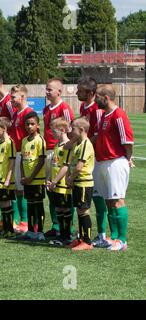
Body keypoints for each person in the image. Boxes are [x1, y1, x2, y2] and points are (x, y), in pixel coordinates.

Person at [94, 84, 134, 252]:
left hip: (115, 161)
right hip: (103, 162)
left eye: (97, 96)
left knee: (117, 200)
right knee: (109, 201)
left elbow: (128, 141)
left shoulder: (119, 114)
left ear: (106, 98)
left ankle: (122, 240)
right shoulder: (104, 115)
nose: (95, 98)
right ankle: (114, 236)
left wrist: (128, 158)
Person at [77, 77, 108, 248]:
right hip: (87, 157)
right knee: (88, 197)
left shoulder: (97, 109)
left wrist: (85, 146)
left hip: (95, 157)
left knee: (97, 196)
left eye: (80, 91)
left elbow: (97, 134)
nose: (76, 93)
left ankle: (102, 234)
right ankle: (85, 231)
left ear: (90, 93)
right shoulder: (84, 106)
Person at [43, 78, 74, 238]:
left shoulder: (65, 108)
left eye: (50, 89)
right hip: (49, 151)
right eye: (46, 89)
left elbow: (70, 130)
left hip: (62, 152)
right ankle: (56, 225)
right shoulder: (46, 108)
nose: (47, 92)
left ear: (59, 92)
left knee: (64, 191)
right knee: (50, 190)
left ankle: (68, 227)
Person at [66, 117, 95, 251]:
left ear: (81, 130)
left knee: (84, 211)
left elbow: (79, 166)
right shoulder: (78, 143)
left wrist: (70, 178)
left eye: (73, 128)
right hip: (78, 182)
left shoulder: (85, 144)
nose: (71, 131)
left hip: (84, 182)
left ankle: (88, 241)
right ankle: (81, 238)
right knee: (79, 210)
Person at [8, 85, 33, 233]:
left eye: (13, 97)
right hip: (16, 153)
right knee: (18, 189)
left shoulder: (28, 113)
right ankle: (19, 220)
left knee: (23, 189)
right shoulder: (17, 113)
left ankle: (25, 221)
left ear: (22, 97)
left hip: (25, 155)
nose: (11, 100)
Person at [20, 112, 46, 241]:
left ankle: (39, 231)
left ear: (37, 125)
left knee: (38, 206)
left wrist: (31, 177)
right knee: (30, 205)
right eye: (27, 124)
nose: (29, 126)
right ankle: (30, 230)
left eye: (32, 124)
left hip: (37, 180)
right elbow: (22, 160)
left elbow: (41, 161)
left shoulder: (40, 140)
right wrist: (24, 176)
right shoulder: (24, 140)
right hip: (27, 180)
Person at [46, 118, 73, 246]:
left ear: (62, 130)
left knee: (65, 209)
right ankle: (62, 235)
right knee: (59, 209)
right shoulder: (57, 145)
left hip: (63, 184)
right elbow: (54, 164)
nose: (52, 133)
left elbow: (65, 166)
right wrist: (49, 179)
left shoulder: (67, 146)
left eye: (53, 131)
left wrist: (55, 181)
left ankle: (67, 236)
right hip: (55, 184)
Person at [0, 117, 17, 238]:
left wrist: (8, 178)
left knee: (7, 203)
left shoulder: (10, 143)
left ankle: (10, 230)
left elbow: (12, 162)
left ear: (4, 129)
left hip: (5, 180)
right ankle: (5, 228)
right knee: (2, 205)